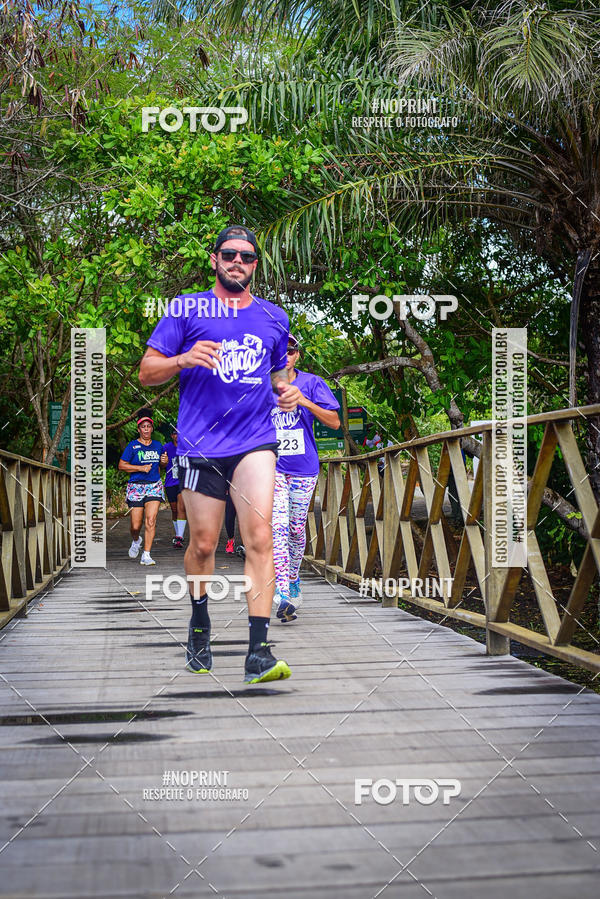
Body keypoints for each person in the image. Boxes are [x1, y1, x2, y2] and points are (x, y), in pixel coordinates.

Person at [139, 225, 302, 683]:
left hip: (255, 441)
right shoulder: (186, 308)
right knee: (205, 544)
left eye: (247, 257)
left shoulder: (274, 317)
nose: (238, 262)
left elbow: (273, 380)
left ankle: (258, 651)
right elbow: (148, 372)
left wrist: (285, 394)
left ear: (255, 265)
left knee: (260, 539)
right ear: (214, 259)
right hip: (200, 444)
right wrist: (182, 360)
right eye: (229, 254)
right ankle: (199, 621)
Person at [271, 336, 340, 621]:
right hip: (271, 467)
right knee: (278, 524)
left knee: (296, 530)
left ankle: (295, 577)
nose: (285, 355)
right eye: (279, 350)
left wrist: (305, 402)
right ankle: (284, 593)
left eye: (290, 350)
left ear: (297, 355)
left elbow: (335, 422)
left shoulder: (312, 383)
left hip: (304, 467)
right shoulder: (259, 384)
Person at [118, 411, 165, 565]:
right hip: (136, 488)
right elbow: (121, 465)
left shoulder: (158, 446)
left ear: (152, 429)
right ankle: (136, 540)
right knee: (135, 525)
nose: (146, 429)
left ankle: (147, 554)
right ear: (139, 429)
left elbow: (162, 466)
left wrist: (164, 461)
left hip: (153, 486)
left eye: (148, 426)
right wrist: (140, 468)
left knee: (150, 520)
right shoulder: (132, 446)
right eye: (143, 427)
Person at [160, 426, 187, 547]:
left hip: (183, 482)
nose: (177, 435)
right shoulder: (166, 448)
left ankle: (180, 536)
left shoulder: (187, 447)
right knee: (174, 509)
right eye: (175, 434)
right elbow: (160, 465)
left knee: (182, 507)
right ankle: (177, 535)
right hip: (170, 482)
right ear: (172, 436)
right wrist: (163, 462)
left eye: (179, 433)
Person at [224, 492, 245, 556]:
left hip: (245, 489)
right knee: (229, 517)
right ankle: (230, 540)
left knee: (244, 518)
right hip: (231, 488)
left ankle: (245, 544)